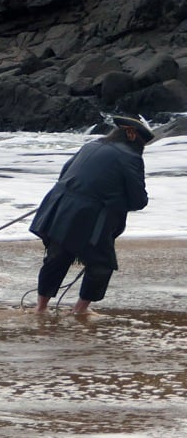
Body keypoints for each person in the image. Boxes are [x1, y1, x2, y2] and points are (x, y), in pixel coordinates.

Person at [29, 115, 153, 315]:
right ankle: (80, 311)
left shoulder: (91, 145)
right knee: (101, 264)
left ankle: (40, 308)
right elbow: (139, 201)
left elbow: (65, 173)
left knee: (57, 258)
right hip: (89, 216)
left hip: (58, 206)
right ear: (132, 136)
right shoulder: (131, 157)